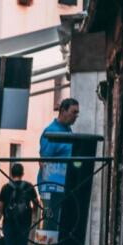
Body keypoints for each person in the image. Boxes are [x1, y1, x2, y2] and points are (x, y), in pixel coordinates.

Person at [39, 97, 80, 228]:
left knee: (62, 223)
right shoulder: (51, 131)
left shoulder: (68, 130)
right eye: (74, 112)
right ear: (63, 111)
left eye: (77, 113)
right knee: (51, 223)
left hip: (64, 185)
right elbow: (44, 160)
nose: (76, 116)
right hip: (52, 186)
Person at [0, 161, 40, 245]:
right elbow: (36, 203)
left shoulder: (5, 188)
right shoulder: (29, 186)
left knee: (9, 244)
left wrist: (1, 217)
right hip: (25, 220)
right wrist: (34, 214)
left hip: (9, 220)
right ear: (22, 173)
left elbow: (0, 206)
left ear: (11, 173)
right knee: (22, 244)